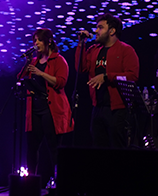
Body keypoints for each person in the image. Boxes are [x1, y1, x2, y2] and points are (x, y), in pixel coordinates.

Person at [75, 13, 139, 148]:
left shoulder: (126, 50)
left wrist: (107, 76)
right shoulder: (93, 50)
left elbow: (132, 76)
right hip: (97, 107)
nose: (96, 31)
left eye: (100, 27)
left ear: (112, 31)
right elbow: (81, 68)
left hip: (117, 109)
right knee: (99, 147)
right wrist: (81, 45)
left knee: (117, 147)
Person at [20, 28, 73, 190]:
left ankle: (59, 183)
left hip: (51, 109)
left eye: (39, 40)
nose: (36, 43)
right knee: (32, 147)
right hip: (35, 109)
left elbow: (61, 82)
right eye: (34, 40)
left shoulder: (59, 60)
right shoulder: (34, 62)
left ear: (48, 42)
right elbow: (20, 78)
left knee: (53, 148)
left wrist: (41, 74)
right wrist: (28, 62)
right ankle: (30, 183)